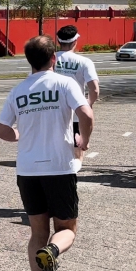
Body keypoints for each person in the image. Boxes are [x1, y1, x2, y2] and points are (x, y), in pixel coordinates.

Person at [0, 35, 94, 271]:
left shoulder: (18, 91)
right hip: (59, 168)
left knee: (37, 232)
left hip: (28, 171)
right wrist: (82, 140)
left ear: (29, 61)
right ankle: (52, 251)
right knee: (67, 230)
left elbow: (1, 130)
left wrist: (19, 135)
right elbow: (86, 113)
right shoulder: (64, 83)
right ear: (54, 59)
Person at [53, 25, 100, 169]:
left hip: (51, 110)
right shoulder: (84, 62)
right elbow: (94, 89)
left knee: (53, 147)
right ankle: (72, 174)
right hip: (75, 112)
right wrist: (89, 103)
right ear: (75, 41)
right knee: (77, 149)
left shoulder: (50, 59)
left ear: (58, 41)